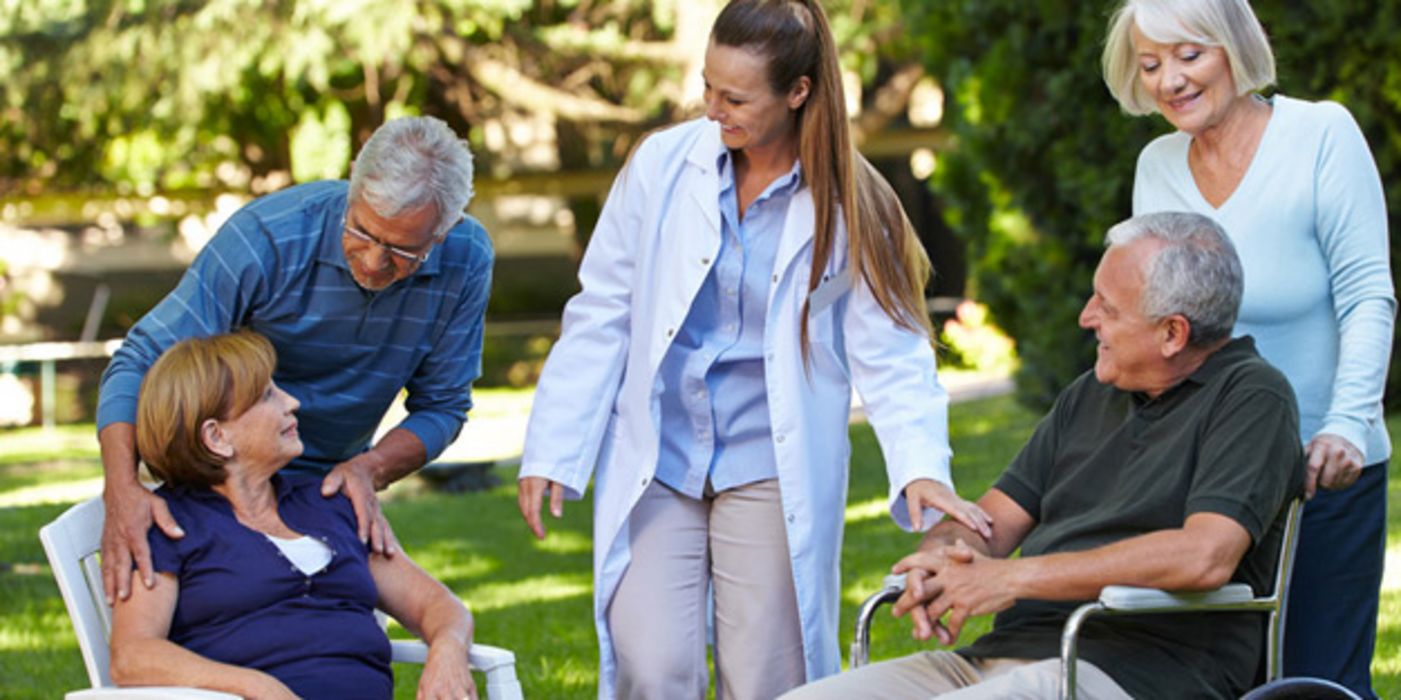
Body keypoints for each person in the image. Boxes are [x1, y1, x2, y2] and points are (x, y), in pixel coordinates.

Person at [515, 1, 989, 697]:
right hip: (661, 458)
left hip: (768, 464)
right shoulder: (660, 166)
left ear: (797, 93)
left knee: (767, 672)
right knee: (651, 664)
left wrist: (920, 467)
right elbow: (602, 311)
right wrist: (554, 449)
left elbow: (890, 350)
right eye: (707, 87)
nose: (712, 109)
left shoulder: (852, 202)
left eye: (734, 97)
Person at [783, 212, 1306, 700]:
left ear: (1173, 333)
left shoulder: (1252, 397)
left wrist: (1010, 579)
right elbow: (990, 525)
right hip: (1001, 658)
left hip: (1137, 668)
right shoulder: (1090, 394)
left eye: (1107, 305)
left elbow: (1204, 557)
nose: (1086, 318)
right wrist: (942, 557)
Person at [1102, 2, 1395, 695]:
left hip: (1322, 471)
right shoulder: (1157, 166)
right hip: (1211, 483)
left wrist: (1346, 423)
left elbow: (1366, 295)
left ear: (1233, 48)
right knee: (1211, 679)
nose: (1169, 79)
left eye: (1188, 56)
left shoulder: (1320, 134)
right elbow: (1157, 327)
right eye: (1149, 65)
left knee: (1317, 680)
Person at [95, 115, 494, 608]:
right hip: (222, 485)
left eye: (400, 251)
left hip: (331, 491)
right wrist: (122, 488)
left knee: (337, 636)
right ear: (353, 184)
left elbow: (444, 406)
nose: (372, 262)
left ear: (443, 231)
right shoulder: (266, 238)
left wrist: (370, 469)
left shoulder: (467, 257)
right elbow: (138, 360)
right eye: (362, 231)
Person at [108, 331, 476, 700]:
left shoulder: (329, 502)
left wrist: (448, 650)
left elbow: (437, 605)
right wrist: (258, 687)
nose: (292, 402)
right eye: (268, 396)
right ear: (217, 436)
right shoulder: (172, 525)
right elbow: (133, 655)